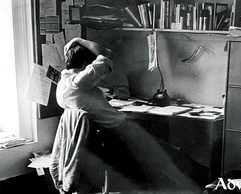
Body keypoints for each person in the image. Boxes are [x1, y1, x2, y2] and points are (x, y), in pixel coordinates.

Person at [55, 37, 201, 193]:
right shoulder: (79, 82)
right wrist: (80, 40)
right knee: (171, 154)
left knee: (167, 153)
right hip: (121, 134)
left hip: (109, 139)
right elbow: (107, 54)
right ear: (85, 65)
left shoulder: (62, 86)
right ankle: (204, 184)